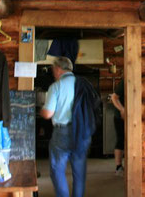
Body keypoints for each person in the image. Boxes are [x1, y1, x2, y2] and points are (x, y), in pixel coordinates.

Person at [41, 56, 91, 197]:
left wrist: (41, 110)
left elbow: (47, 114)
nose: (53, 73)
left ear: (58, 69)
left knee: (57, 170)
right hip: (82, 132)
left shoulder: (56, 86)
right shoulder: (83, 84)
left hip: (62, 133)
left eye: (53, 70)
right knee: (79, 172)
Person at [110, 78, 125, 176]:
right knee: (121, 140)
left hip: (131, 117)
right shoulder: (125, 80)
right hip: (120, 117)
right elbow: (114, 97)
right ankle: (118, 167)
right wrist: (122, 110)